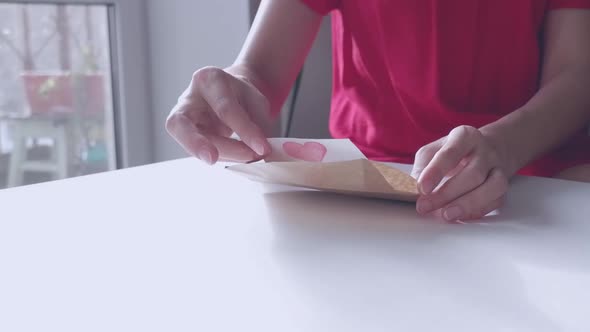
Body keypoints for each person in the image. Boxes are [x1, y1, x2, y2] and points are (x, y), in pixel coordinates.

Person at [166, 0, 590, 221]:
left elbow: (575, 78)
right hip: (366, 188)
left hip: (528, 186)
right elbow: (259, 70)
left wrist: (502, 147)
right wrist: (231, 92)